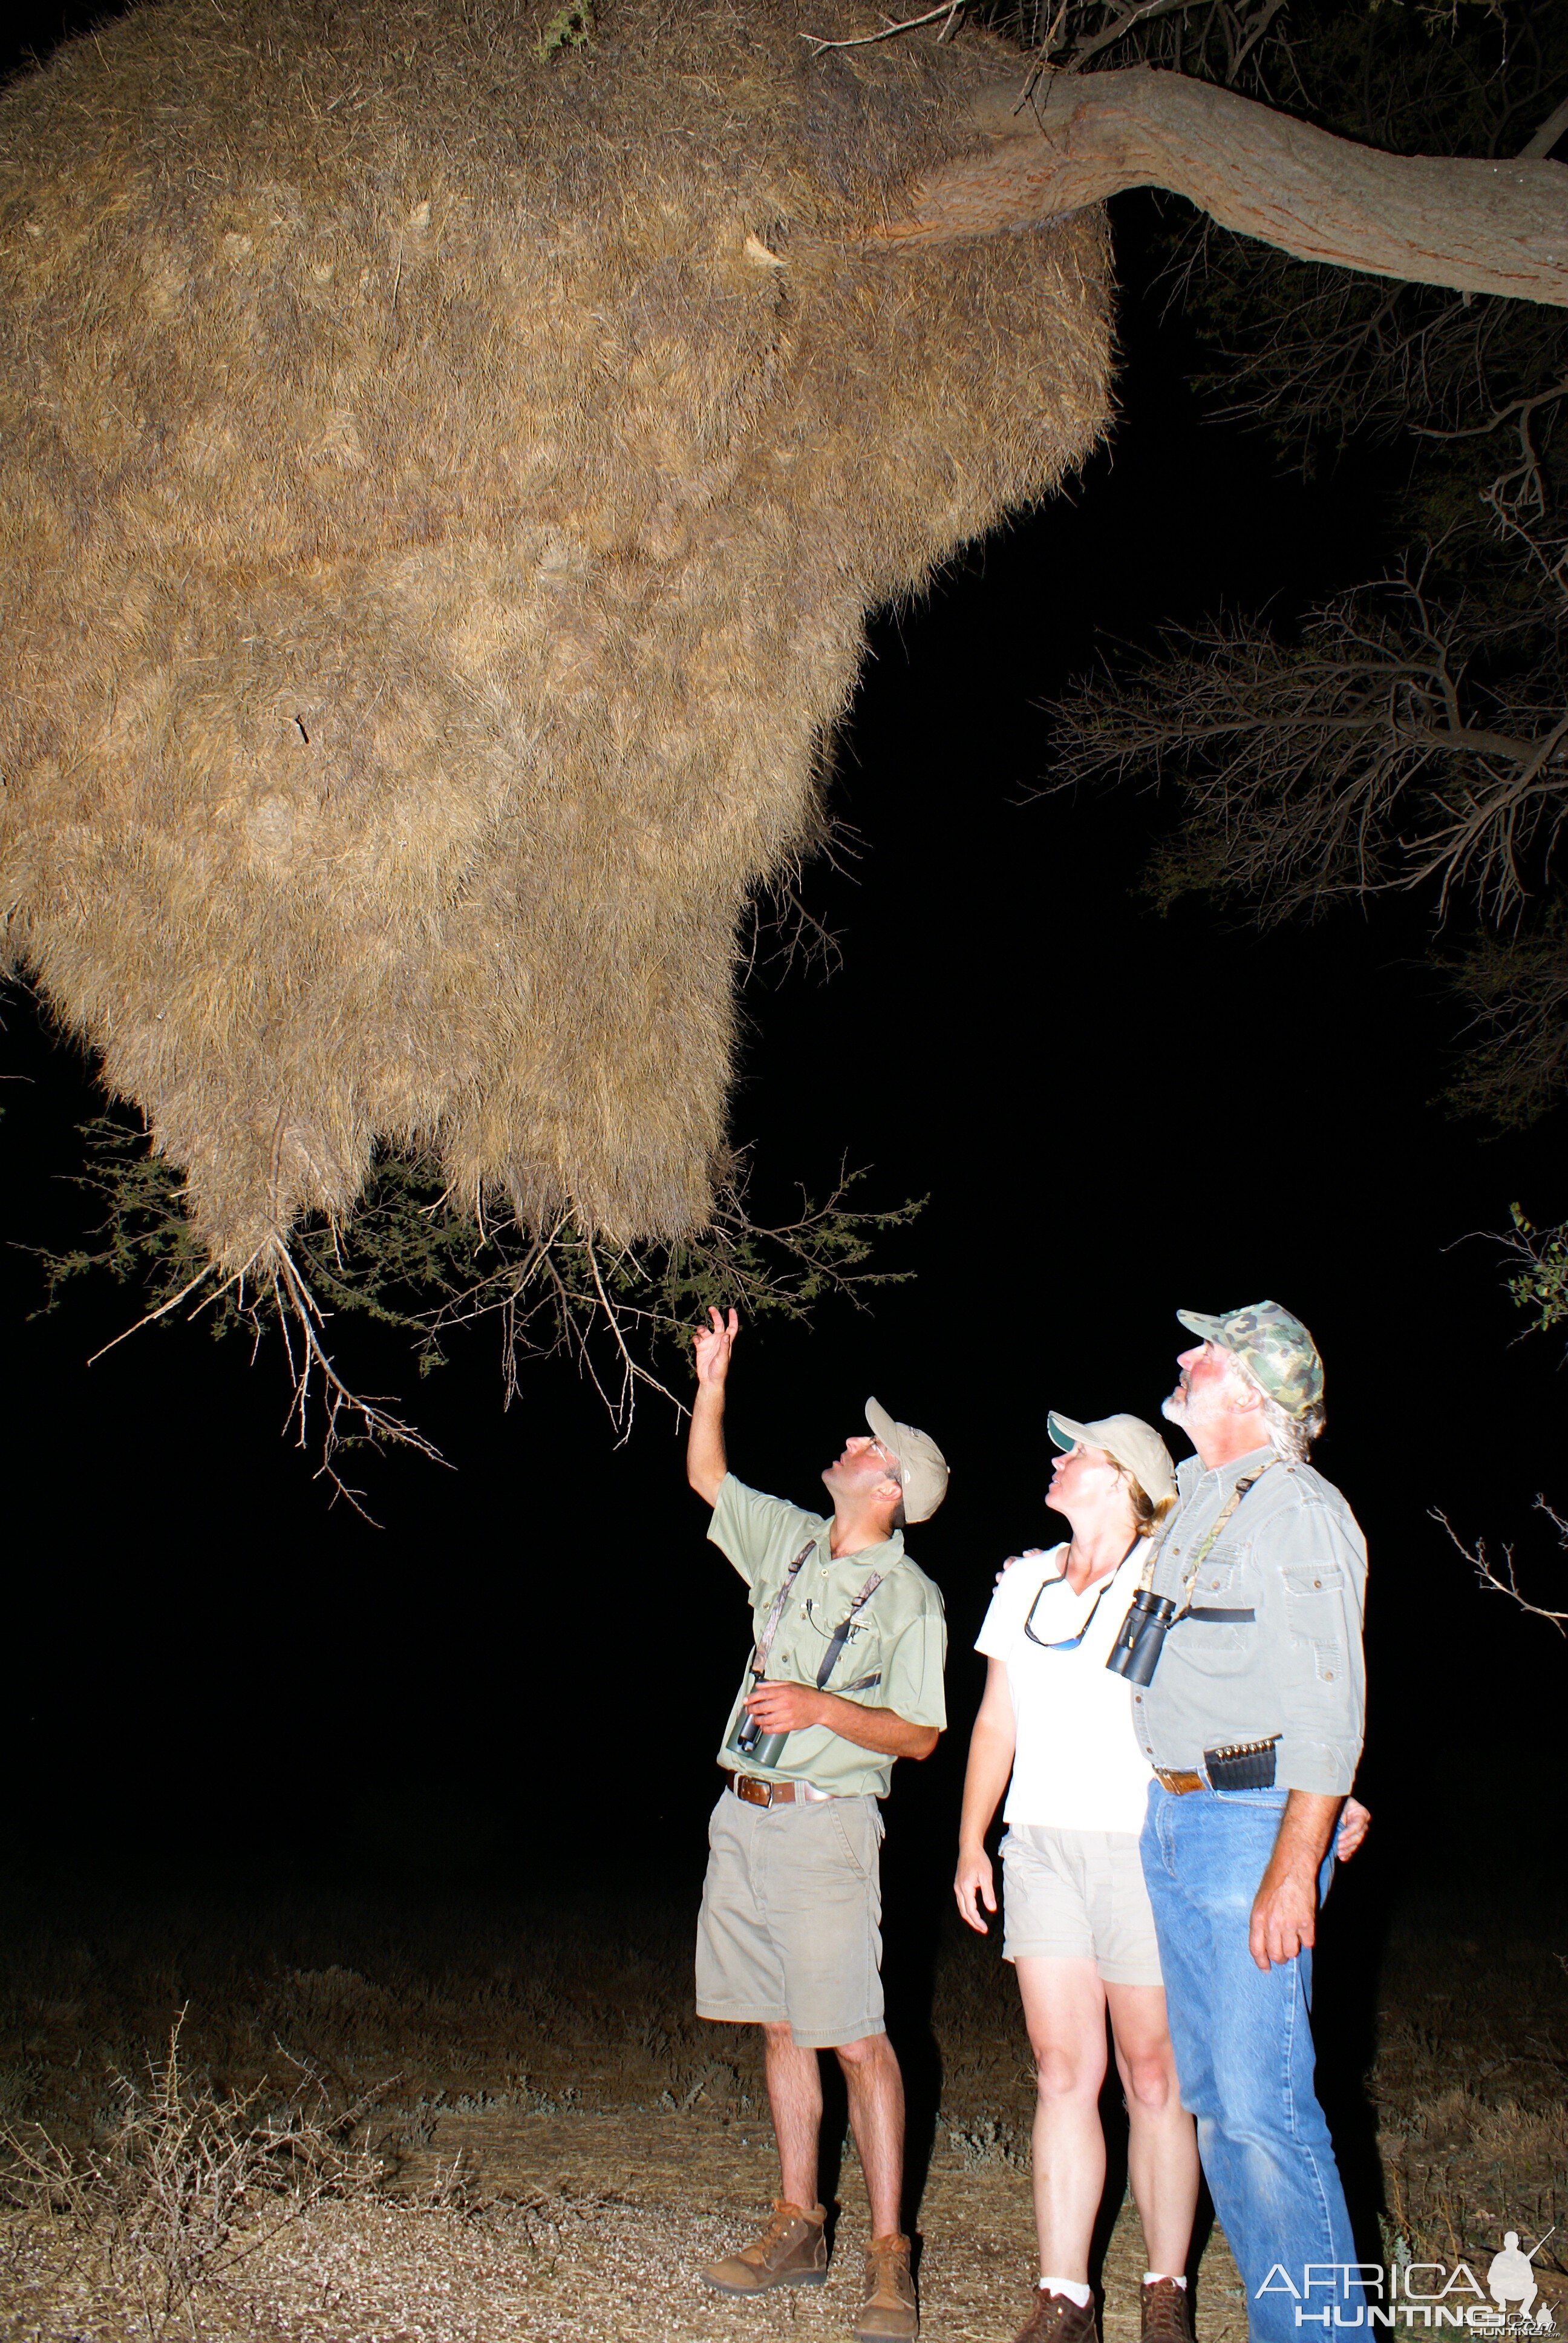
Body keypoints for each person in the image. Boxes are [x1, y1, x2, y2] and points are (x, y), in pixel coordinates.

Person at [687, 1305, 949, 2343]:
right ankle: (799, 2226)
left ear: (890, 1490)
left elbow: (923, 1735)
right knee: (782, 2021)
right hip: (744, 1816)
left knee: (856, 2038)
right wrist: (714, 1377)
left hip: (830, 1825)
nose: (851, 1440)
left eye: (868, 1445)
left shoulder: (910, 1598)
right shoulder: (795, 1544)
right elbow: (710, 1481)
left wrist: (823, 1709)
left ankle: (892, 2259)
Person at [1135, 1303, 1369, 2343]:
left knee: (1266, 2114)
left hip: (1249, 1833)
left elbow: (1331, 1705)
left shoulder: (1299, 1511)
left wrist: (1297, 1854)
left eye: (1209, 1352)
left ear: (1252, 1393)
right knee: (1222, 2107)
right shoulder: (1200, 1498)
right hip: (1179, 1821)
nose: (1185, 1358)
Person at [955, 1411, 1200, 2343]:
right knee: (1063, 2072)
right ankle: (1065, 2298)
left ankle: (1166, 2289)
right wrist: (973, 1841)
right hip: (1042, 1847)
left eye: (1077, 1453)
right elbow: (994, 1725)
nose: (1057, 1462)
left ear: (1123, 1479)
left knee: (1153, 2076)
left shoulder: (1169, 1576)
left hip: (1143, 1847)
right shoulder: (1022, 1580)